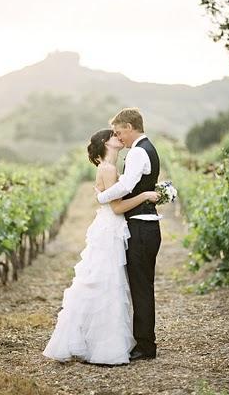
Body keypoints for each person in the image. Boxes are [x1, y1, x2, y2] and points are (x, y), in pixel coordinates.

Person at [42, 129, 160, 366]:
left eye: (119, 133)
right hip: (110, 230)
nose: (118, 137)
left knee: (108, 284)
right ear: (106, 143)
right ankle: (102, 345)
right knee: (107, 285)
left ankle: (97, 341)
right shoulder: (108, 169)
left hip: (112, 229)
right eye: (114, 135)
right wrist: (146, 195)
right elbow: (117, 207)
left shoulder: (109, 167)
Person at [97, 108, 161, 361]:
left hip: (141, 228)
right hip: (146, 226)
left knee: (141, 287)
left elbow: (126, 186)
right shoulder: (149, 148)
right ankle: (144, 341)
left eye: (119, 130)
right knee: (142, 285)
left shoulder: (137, 151)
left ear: (130, 126)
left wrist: (101, 197)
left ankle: (146, 345)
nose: (118, 136)